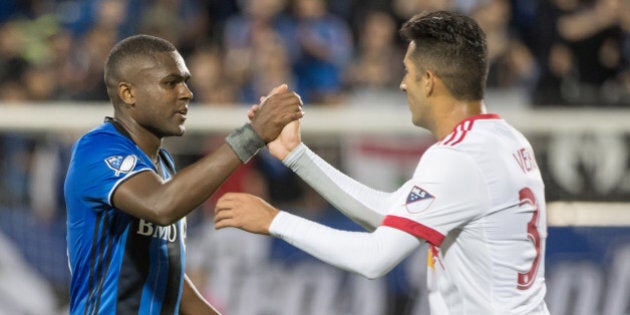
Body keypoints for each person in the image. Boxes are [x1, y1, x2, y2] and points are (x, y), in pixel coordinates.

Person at [214, 10, 549, 314]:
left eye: (409, 71)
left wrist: (275, 221)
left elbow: (374, 258)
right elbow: (390, 214)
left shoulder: (458, 158)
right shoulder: (506, 140)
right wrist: (295, 155)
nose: (403, 83)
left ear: (429, 81)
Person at [64, 34, 303, 314]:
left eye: (185, 82)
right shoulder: (97, 149)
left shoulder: (162, 166)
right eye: (170, 83)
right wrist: (251, 137)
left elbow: (171, 280)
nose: (186, 93)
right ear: (128, 93)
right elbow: (160, 205)